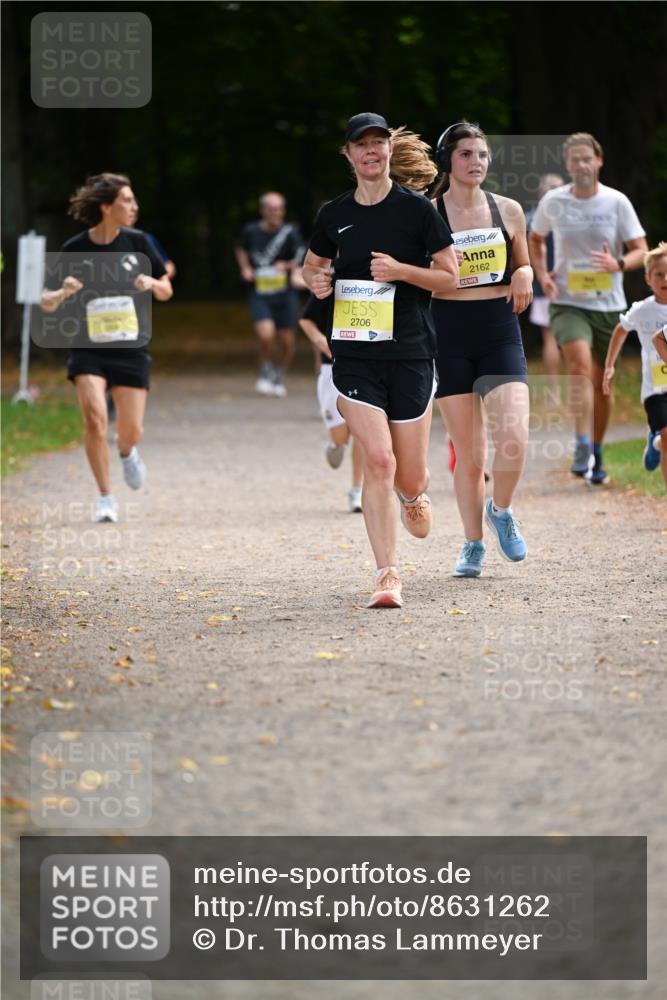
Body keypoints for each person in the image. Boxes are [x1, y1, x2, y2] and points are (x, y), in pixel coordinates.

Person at [302, 112, 458, 608]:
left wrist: (401, 271)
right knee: (378, 459)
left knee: (407, 475)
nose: (371, 151)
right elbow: (312, 264)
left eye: (378, 143)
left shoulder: (417, 211)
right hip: (352, 354)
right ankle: (387, 574)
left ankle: (414, 496)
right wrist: (317, 281)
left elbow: (449, 276)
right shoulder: (333, 213)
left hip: (410, 352)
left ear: (390, 150)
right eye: (361, 145)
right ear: (348, 155)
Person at [430, 121, 533, 578]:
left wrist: (526, 273)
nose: (476, 162)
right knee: (469, 454)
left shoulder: (508, 209)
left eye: (482, 155)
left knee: (514, 438)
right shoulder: (428, 214)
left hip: (498, 328)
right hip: (447, 331)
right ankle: (472, 544)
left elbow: (524, 261)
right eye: (466, 154)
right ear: (447, 162)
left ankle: (501, 510)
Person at [40, 173, 173, 523]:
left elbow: (166, 290)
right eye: (127, 200)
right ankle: (105, 497)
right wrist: (63, 291)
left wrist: (151, 283)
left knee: (129, 432)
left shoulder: (138, 242)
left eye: (133, 200)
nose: (134, 206)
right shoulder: (74, 249)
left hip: (130, 349)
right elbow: (46, 301)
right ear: (106, 207)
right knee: (95, 419)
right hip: (88, 349)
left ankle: (128, 453)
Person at [528, 133, 647, 484]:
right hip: (567, 302)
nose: (581, 165)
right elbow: (535, 239)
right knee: (579, 364)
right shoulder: (554, 201)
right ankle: (580, 441)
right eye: (574, 159)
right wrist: (542, 274)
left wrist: (619, 263)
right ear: (567, 165)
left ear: (599, 161)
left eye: (587, 159)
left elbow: (642, 249)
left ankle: (596, 449)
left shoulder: (616, 202)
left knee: (602, 384)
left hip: (609, 305)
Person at [602, 243, 667, 489]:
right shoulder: (642, 310)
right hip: (654, 389)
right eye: (659, 274)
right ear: (648, 278)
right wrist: (610, 366)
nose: (665, 279)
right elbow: (620, 330)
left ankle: (655, 442)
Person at [299, 294, 364, 512]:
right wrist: (320, 341)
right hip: (331, 369)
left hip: (367, 366)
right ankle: (336, 445)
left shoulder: (382, 279)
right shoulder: (332, 283)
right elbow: (306, 320)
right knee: (341, 435)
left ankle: (357, 489)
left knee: (364, 433)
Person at [235, 192, 301, 397]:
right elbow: (240, 248)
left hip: (284, 293)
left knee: (287, 340)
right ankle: (265, 369)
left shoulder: (290, 233)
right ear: (263, 210)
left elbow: (302, 257)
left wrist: (286, 265)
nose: (276, 213)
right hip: (260, 292)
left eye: (280, 208)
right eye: (272, 209)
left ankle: (278, 375)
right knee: (266, 334)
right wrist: (245, 268)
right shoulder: (251, 231)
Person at [526, 174, 564, 402]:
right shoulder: (571, 218)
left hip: (541, 286)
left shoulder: (530, 220)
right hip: (570, 285)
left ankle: (554, 392)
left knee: (550, 338)